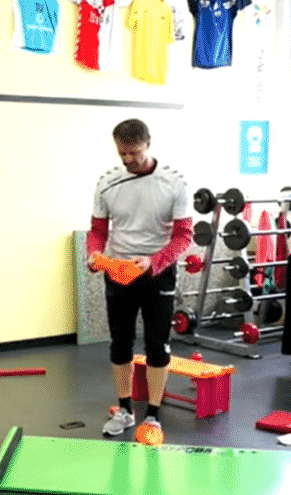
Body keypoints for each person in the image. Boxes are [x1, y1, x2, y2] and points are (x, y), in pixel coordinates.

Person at [86, 119, 192, 440]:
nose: (128, 159)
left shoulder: (174, 183)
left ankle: (154, 416)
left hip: (157, 271)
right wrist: (94, 253)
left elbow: (183, 236)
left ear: (148, 144)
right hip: (119, 271)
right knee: (120, 343)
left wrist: (153, 261)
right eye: (123, 153)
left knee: (157, 345)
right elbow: (98, 230)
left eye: (134, 152)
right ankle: (125, 410)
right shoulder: (107, 183)